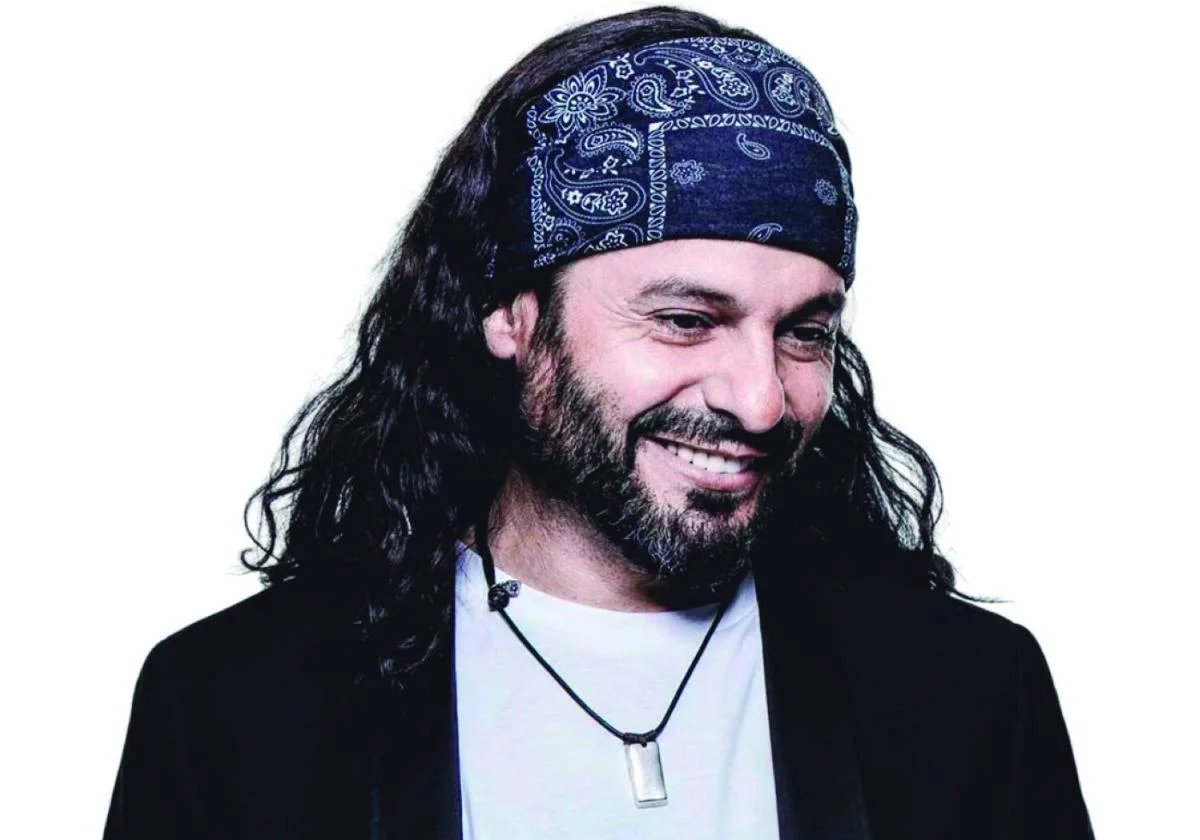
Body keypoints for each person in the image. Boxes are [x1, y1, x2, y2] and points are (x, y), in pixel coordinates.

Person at [103, 6, 1093, 839]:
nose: (761, 401)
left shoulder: (967, 694)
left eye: (803, 332)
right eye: (685, 320)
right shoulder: (236, 705)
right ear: (510, 312)